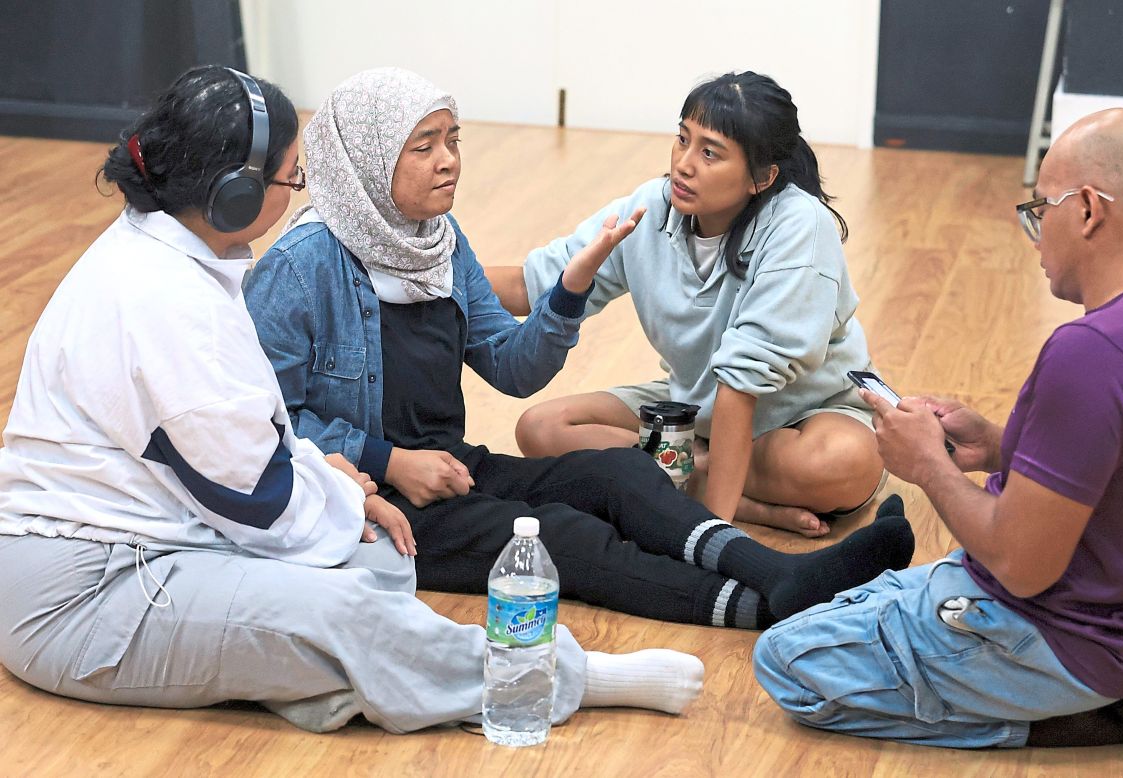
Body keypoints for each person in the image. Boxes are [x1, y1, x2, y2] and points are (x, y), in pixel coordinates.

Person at [0, 65, 708, 735]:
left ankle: (343, 685)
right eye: (292, 176)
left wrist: (326, 476)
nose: (301, 188)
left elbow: (247, 446)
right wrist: (348, 487)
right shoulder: (171, 301)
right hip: (89, 590)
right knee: (341, 609)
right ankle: (559, 677)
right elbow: (254, 498)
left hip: (166, 530)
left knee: (381, 565)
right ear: (236, 194)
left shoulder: (170, 259)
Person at [242, 68, 915, 632]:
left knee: (618, 475)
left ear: (760, 176)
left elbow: (513, 368)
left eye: (453, 140)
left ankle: (779, 573)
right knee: (562, 537)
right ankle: (776, 602)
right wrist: (390, 460)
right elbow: (267, 429)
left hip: (449, 467)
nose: (449, 160)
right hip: (365, 498)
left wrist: (568, 294)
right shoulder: (299, 268)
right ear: (366, 158)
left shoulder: (436, 243)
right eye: (425, 146)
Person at [753, 109, 1123, 748]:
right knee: (848, 605)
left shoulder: (1091, 350)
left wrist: (927, 466)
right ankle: (1088, 695)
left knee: (784, 659)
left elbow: (1018, 565)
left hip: (1046, 636)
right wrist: (999, 447)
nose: (1034, 236)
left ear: (1087, 210)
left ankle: (1050, 719)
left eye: (1040, 209)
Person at [488, 71, 884, 539]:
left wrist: (709, 536)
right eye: (682, 139)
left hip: (809, 417)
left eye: (710, 152)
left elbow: (740, 385)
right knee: (542, 428)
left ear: (763, 177)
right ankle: (735, 496)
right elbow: (533, 284)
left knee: (837, 463)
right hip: (696, 414)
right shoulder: (651, 208)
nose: (684, 164)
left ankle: (687, 482)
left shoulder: (800, 225)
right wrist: (430, 271)